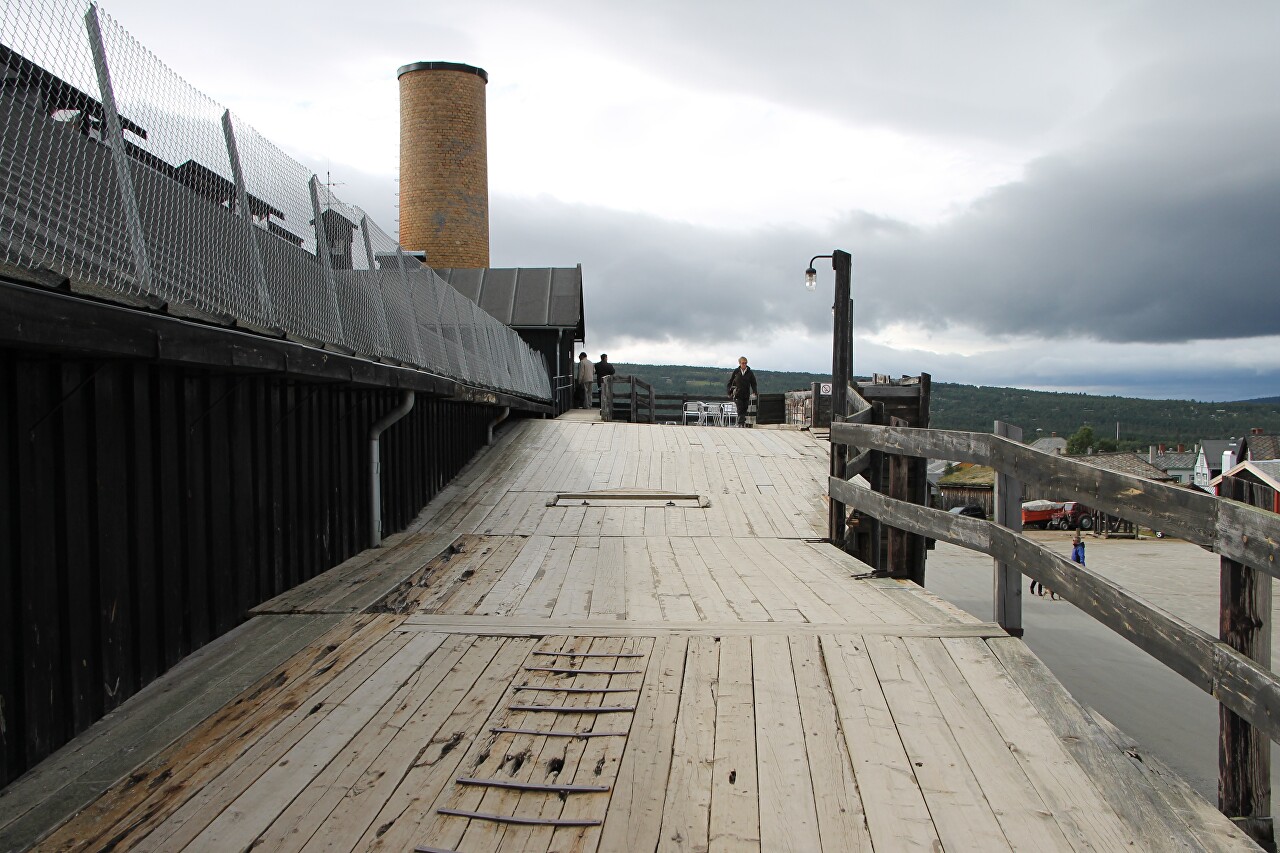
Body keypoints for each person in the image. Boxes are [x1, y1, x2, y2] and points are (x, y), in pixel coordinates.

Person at [726, 356, 757, 428]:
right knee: (740, 407)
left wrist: (755, 391)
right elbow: (730, 382)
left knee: (745, 408)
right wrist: (729, 392)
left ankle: (742, 422)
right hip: (738, 393)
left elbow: (753, 383)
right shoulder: (736, 372)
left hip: (746, 393)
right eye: (743, 363)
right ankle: (741, 423)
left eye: (745, 363)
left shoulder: (750, 373)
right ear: (740, 363)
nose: (744, 365)